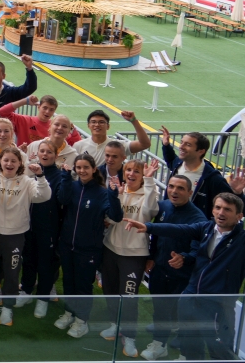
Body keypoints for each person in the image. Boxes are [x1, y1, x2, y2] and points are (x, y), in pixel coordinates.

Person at [123, 181, 245, 361]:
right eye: (218, 208)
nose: (221, 212)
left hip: (218, 304)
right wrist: (149, 227)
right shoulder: (206, 228)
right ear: (212, 210)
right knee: (190, 346)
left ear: (239, 215)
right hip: (190, 298)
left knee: (220, 351)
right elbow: (180, 230)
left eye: (227, 209)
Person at [0, 146, 51, 326]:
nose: (9, 164)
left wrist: (40, 176)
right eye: (6, 160)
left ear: (20, 164)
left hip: (15, 234)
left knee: (12, 272)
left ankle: (7, 307)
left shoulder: (27, 181)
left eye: (13, 161)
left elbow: (44, 196)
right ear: (0, 161)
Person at [53, 154, 123, 338]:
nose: (82, 171)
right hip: (67, 245)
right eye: (78, 167)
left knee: (83, 285)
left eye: (86, 167)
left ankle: (81, 321)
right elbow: (63, 199)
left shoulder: (102, 192)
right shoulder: (73, 185)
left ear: (94, 169)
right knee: (68, 281)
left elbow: (116, 217)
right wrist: (66, 178)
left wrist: (114, 196)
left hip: (89, 249)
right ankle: (69, 312)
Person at [138, 174, 207, 361]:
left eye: (180, 188)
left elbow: (198, 249)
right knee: (160, 309)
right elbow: (157, 236)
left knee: (183, 315)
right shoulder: (163, 206)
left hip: (182, 275)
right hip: (159, 270)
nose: (174, 191)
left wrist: (184, 258)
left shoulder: (197, 217)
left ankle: (186, 352)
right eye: (171, 186)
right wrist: (151, 257)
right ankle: (160, 345)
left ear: (190, 192)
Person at [98, 158, 160, 356]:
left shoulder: (148, 194)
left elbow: (151, 212)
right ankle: (115, 325)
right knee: (110, 291)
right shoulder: (118, 192)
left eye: (137, 171)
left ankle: (130, 336)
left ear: (143, 176)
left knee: (129, 297)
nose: (131, 174)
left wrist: (150, 182)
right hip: (110, 250)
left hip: (134, 255)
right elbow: (109, 218)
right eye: (129, 170)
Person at [16, 140, 63, 319]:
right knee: (28, 260)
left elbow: (61, 202)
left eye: (49, 152)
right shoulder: (30, 173)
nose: (45, 155)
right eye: (42, 151)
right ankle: (26, 291)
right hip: (28, 226)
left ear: (56, 155)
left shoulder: (59, 177)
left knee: (46, 265)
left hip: (48, 229)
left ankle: (43, 298)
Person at [159, 128, 245, 219]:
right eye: (182, 142)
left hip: (195, 228)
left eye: (188, 145)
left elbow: (244, 211)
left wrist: (238, 193)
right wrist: (166, 145)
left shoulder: (213, 179)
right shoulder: (178, 164)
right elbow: (170, 160)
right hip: (170, 219)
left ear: (201, 151)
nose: (181, 146)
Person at [73, 110, 151, 165]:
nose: (97, 125)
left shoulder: (118, 145)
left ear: (108, 126)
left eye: (101, 122)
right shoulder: (79, 146)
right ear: (88, 125)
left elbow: (145, 144)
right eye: (93, 122)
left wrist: (134, 121)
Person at [0, 95, 80, 147]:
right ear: (38, 107)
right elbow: (2, 112)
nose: (47, 112)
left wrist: (72, 129)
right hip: (24, 161)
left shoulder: (55, 128)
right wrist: (25, 101)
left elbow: (77, 143)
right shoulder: (24, 120)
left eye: (51, 110)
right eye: (45, 108)